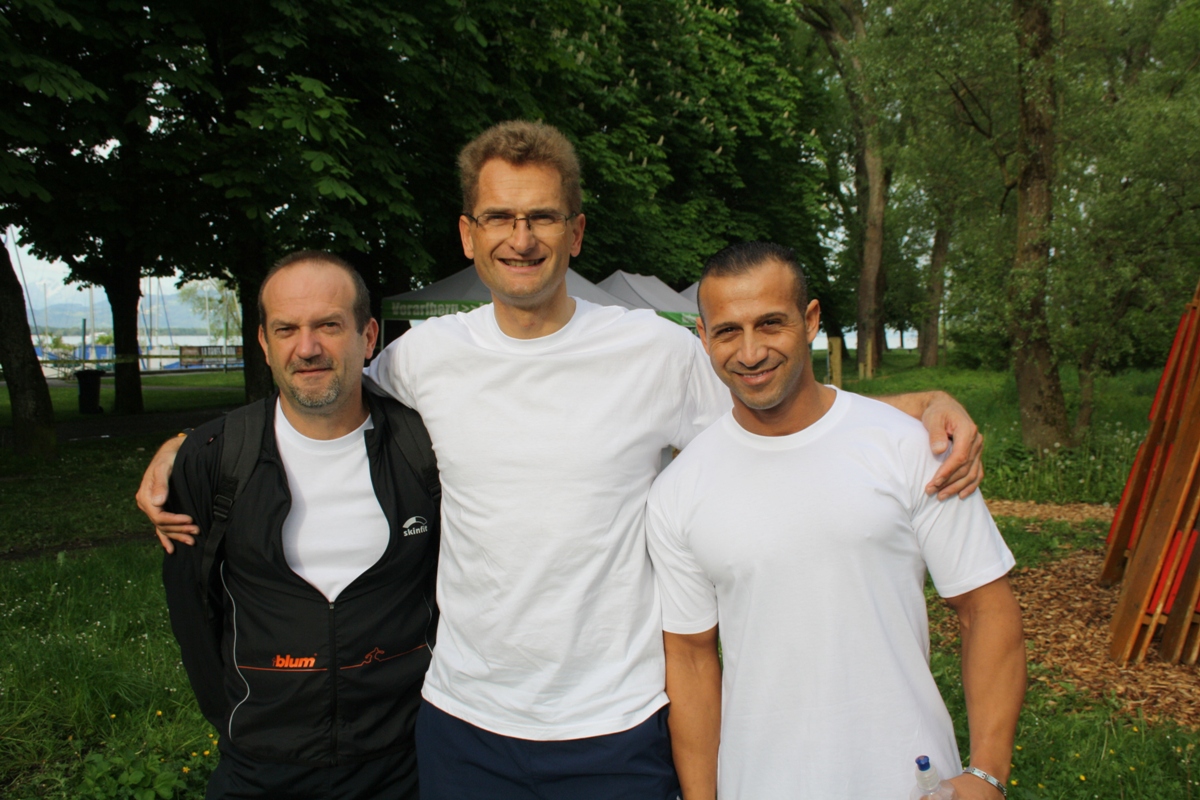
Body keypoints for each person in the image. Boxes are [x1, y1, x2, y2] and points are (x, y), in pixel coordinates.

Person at [138, 121, 985, 799]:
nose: (521, 238)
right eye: (500, 218)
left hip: (620, 722)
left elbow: (774, 403)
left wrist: (914, 407)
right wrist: (185, 448)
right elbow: (316, 397)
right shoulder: (424, 359)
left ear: (574, 232)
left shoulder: (652, 352)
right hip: (463, 721)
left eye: (542, 216)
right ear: (469, 234)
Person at [645, 241, 1024, 800]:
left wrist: (988, 773)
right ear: (703, 337)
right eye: (727, 331)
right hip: (760, 784)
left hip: (911, 782)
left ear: (810, 320)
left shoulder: (910, 447)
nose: (750, 352)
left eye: (770, 323)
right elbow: (691, 659)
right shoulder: (679, 490)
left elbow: (984, 607)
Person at [160, 252, 439, 800]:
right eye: (286, 329)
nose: (306, 348)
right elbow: (191, 608)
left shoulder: (424, 449)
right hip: (258, 767)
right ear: (264, 343)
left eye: (328, 325)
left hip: (403, 763)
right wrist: (235, 719)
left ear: (368, 336)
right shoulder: (215, 457)